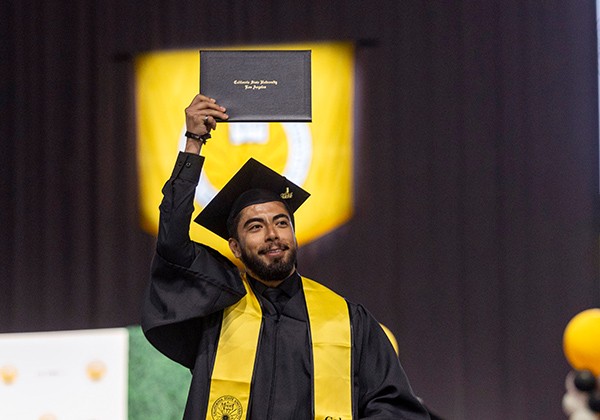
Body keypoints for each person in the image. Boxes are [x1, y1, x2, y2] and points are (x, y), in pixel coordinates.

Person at [142, 94, 431, 419]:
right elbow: (172, 244)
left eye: (281, 222)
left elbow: (395, 408)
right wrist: (193, 141)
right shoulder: (215, 314)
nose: (272, 234)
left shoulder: (348, 321)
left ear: (293, 233)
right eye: (255, 226)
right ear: (235, 247)